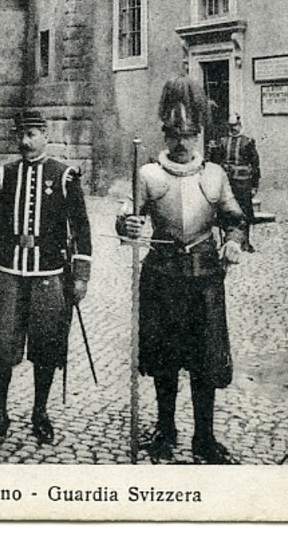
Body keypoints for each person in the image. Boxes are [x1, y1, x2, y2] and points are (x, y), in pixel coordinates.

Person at [116, 77, 245, 465]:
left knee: (205, 361)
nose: (181, 142)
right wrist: (128, 226)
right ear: (165, 133)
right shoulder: (148, 174)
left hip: (205, 277)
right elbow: (126, 216)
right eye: (174, 133)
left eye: (189, 134)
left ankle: (204, 437)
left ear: (199, 134)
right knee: (165, 359)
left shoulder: (214, 175)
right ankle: (165, 428)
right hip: (161, 275)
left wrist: (234, 240)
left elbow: (235, 217)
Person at [0, 109, 92, 447]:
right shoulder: (4, 175)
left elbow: (81, 228)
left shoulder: (64, 176)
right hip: (9, 274)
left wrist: (80, 277)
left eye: (32, 134)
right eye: (21, 135)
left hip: (50, 275)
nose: (25, 141)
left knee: (47, 347)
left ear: (45, 135)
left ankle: (40, 412)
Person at [209, 114, 261, 251]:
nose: (234, 129)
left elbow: (255, 165)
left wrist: (255, 185)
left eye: (236, 126)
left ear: (240, 125)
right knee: (225, 212)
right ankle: (226, 240)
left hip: (243, 183)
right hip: (227, 182)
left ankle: (246, 241)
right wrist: (213, 150)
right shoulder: (222, 142)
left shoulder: (248, 142)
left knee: (244, 212)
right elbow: (214, 162)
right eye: (231, 126)